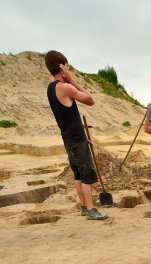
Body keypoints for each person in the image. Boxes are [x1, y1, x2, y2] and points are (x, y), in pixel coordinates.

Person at [44, 50, 107, 221]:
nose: (69, 68)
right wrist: (72, 80)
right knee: (86, 173)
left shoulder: (50, 89)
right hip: (75, 139)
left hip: (69, 138)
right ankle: (91, 209)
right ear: (61, 66)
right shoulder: (65, 87)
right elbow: (90, 100)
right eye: (67, 65)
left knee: (78, 174)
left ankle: (84, 207)